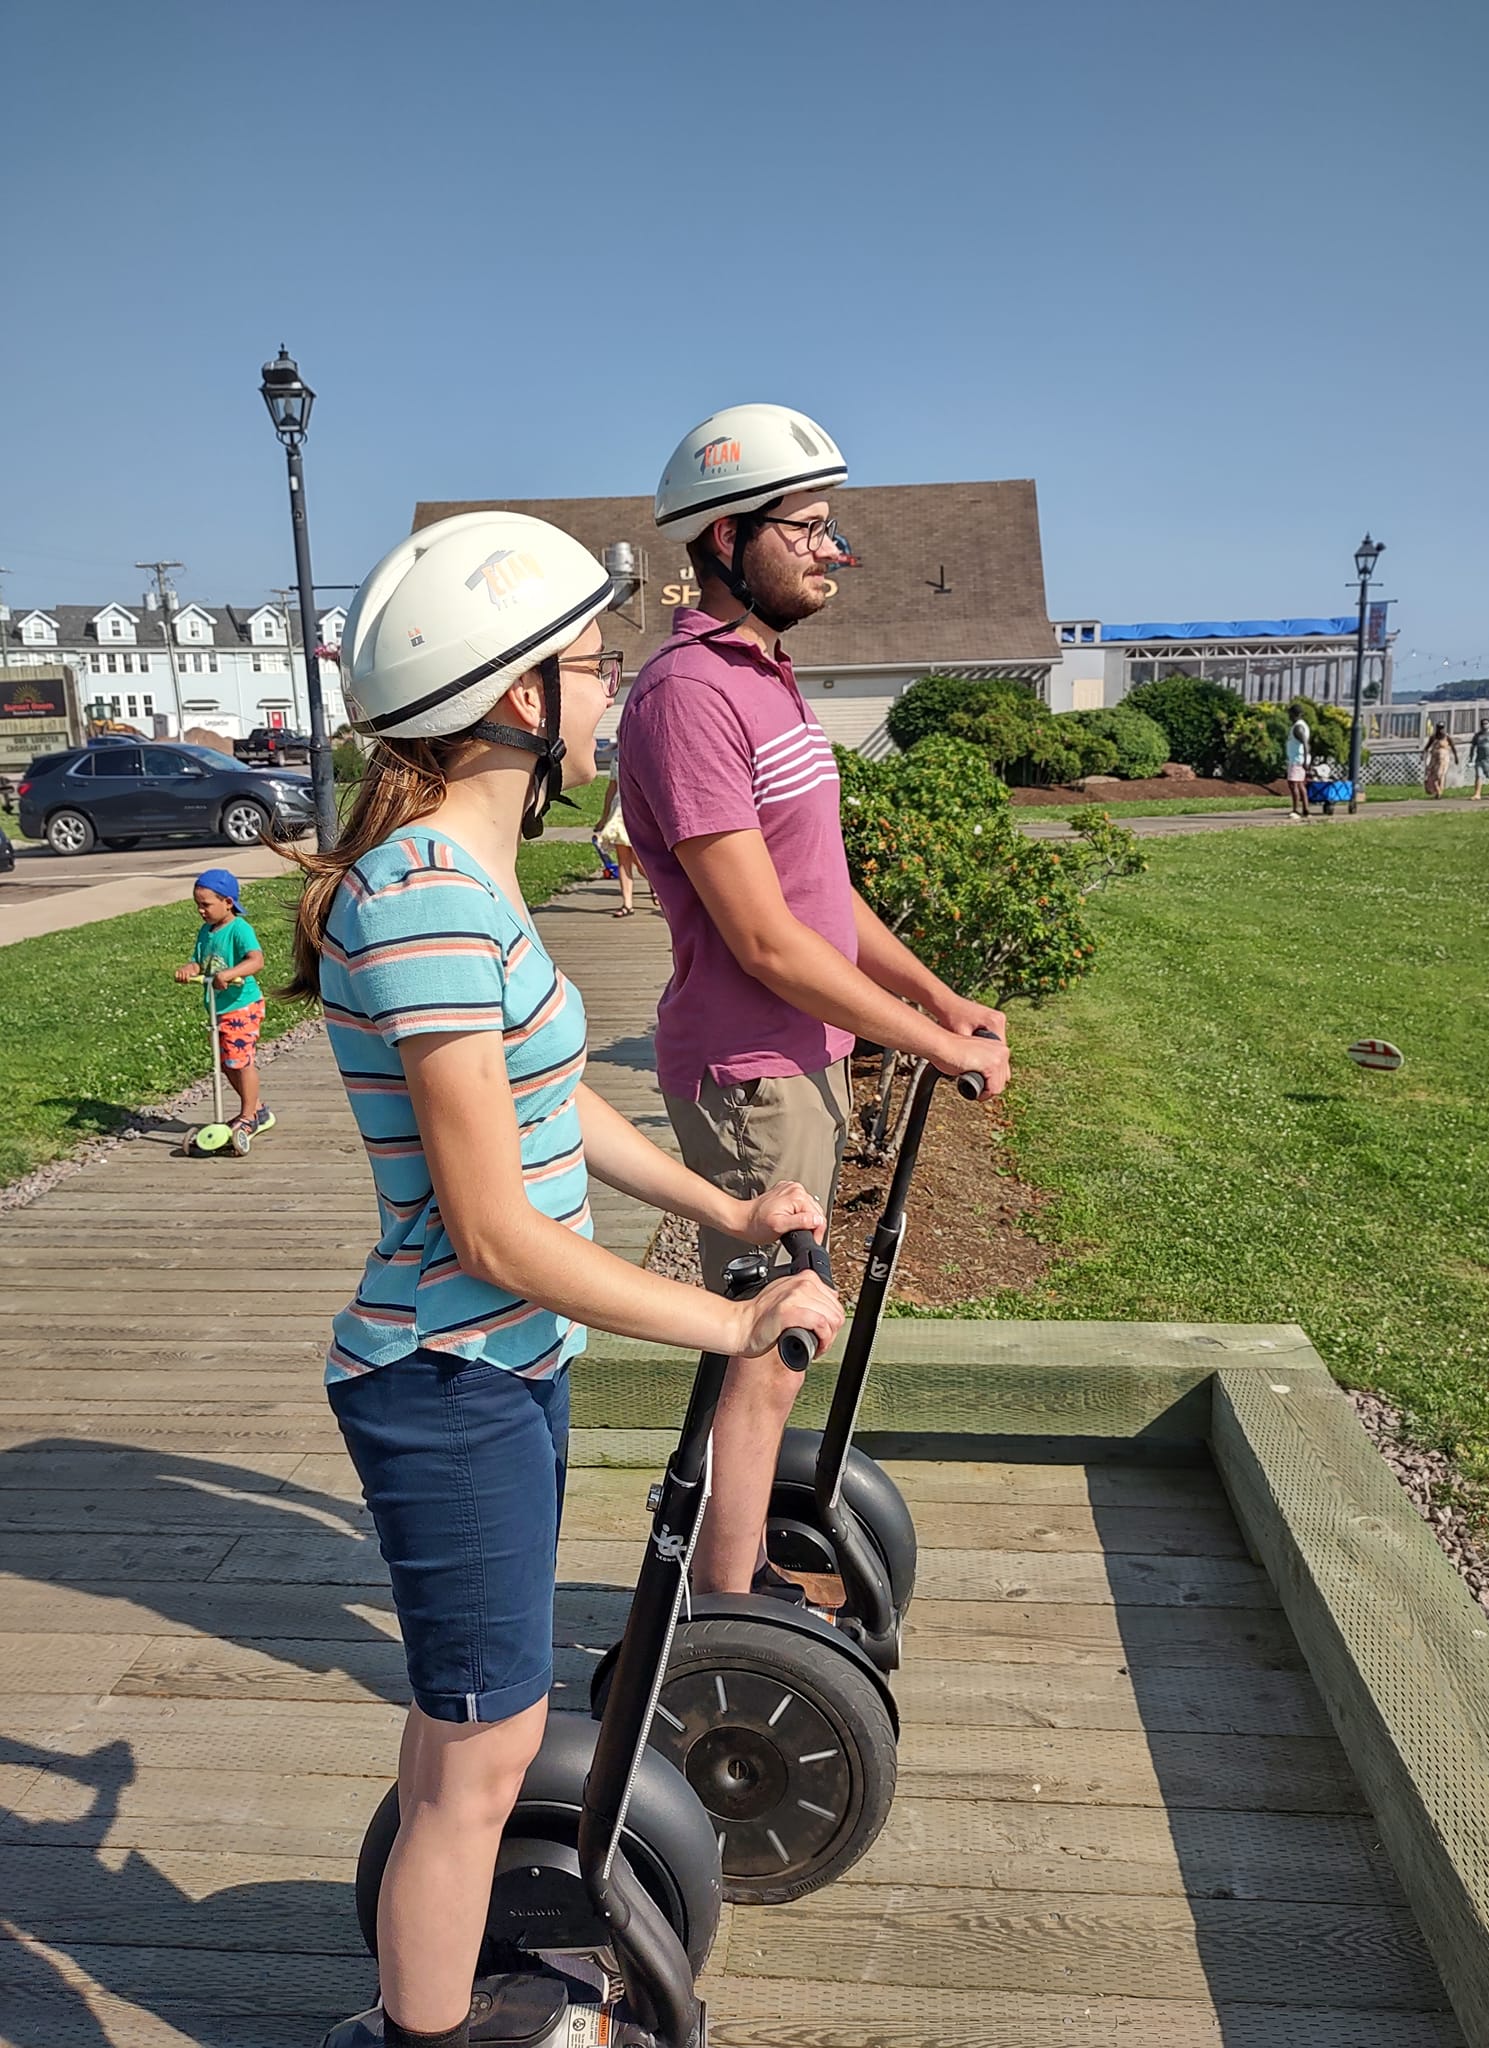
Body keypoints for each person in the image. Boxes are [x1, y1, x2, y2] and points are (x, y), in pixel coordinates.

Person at [285, 512, 842, 2048]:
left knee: (469, 1733)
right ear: (520, 697)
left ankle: (436, 1998)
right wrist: (731, 1318)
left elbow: (553, 1104)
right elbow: (493, 1234)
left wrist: (721, 1202)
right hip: (445, 1378)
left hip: (498, 1367)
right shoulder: (425, 896)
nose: (615, 691)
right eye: (596, 665)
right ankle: (421, 2032)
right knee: (477, 1762)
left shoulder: (464, 880)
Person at [619, 403, 1012, 1602]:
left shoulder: (766, 677)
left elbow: (820, 897)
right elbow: (762, 938)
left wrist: (939, 997)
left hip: (803, 1058)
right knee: (772, 1344)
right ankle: (730, 1616)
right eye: (806, 527)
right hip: (751, 1070)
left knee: (786, 1334)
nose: (831, 550)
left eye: (832, 526)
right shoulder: (690, 694)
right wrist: (933, 1043)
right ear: (726, 537)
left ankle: (737, 1573)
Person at [172, 867, 274, 1153]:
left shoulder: (240, 929)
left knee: (240, 1061)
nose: (200, 910)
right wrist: (189, 969)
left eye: (206, 904)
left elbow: (256, 961)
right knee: (225, 1062)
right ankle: (257, 1109)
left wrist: (230, 973)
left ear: (228, 902)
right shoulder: (206, 932)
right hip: (218, 1009)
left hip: (242, 1006)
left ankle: (248, 1116)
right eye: (197, 905)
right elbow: (199, 962)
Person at [593, 754, 648, 916]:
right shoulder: (616, 759)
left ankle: (657, 886)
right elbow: (612, 789)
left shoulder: (644, 755)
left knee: (640, 860)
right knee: (623, 859)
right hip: (619, 814)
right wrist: (604, 817)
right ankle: (627, 903)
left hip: (638, 812)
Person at [1422, 721, 1459, 798]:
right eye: (1439, 728)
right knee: (1432, 775)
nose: (1440, 730)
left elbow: (1453, 747)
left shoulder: (1447, 737)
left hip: (1443, 760)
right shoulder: (1433, 737)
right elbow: (1427, 747)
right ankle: (1437, 790)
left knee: (1440, 775)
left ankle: (1440, 791)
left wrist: (1456, 757)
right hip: (1434, 759)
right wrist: (1423, 754)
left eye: (1442, 728)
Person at [1284, 715, 1311, 819]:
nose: (1289, 716)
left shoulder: (1298, 727)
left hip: (1296, 760)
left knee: (1293, 784)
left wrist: (1305, 760)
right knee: (1300, 784)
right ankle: (1305, 809)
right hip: (1298, 759)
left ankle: (1296, 810)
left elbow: (1305, 744)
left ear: (1294, 714)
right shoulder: (1302, 725)